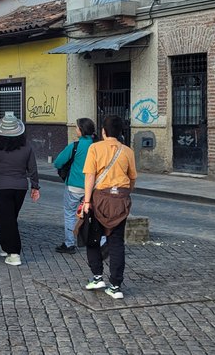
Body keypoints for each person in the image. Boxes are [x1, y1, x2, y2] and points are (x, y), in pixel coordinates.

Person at [79, 115, 136, 299]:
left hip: (99, 199)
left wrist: (87, 201)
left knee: (92, 237)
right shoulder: (127, 151)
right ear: (120, 133)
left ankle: (97, 276)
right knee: (116, 243)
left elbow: (89, 176)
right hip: (120, 200)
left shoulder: (95, 148)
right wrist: (123, 194)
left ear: (103, 131)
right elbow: (132, 178)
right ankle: (116, 286)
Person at [0, 112, 40, 266]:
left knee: (7, 218)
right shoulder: (27, 146)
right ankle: (2, 243)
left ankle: (14, 253)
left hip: (1, 186)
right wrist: (35, 186)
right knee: (9, 217)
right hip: (20, 187)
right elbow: (32, 167)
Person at [51, 118, 96, 254]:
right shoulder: (97, 146)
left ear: (81, 130)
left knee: (70, 214)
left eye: (76, 127)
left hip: (74, 186)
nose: (75, 130)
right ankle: (94, 241)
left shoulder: (75, 146)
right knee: (91, 216)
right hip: (92, 187)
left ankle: (69, 244)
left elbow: (58, 162)